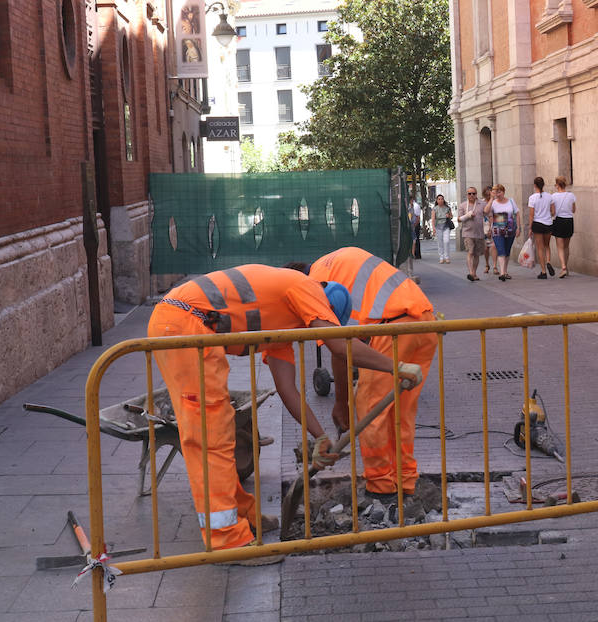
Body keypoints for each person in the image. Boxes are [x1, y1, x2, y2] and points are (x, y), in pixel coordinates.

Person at [147, 265, 421, 554]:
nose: (313, 332)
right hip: (183, 323)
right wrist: (397, 367)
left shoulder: (281, 327)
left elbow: (288, 390)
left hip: (186, 323)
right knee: (209, 434)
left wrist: (320, 437)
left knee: (220, 430)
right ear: (323, 309)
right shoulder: (307, 288)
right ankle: (227, 541)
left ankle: (242, 515)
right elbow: (341, 346)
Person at [300, 248, 437, 498]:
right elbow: (353, 340)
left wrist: (341, 404)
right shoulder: (336, 261)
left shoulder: (311, 285)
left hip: (393, 327)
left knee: (369, 406)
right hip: (425, 319)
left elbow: (340, 347)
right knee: (400, 411)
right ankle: (405, 481)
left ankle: (382, 485)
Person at [484, 184, 522, 281]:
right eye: (495, 192)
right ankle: (502, 273)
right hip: (497, 230)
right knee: (501, 250)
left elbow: (517, 214)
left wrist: (518, 227)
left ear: (503, 192)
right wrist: (491, 199)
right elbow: (485, 211)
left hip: (510, 229)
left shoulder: (511, 201)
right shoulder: (493, 202)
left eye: (499, 191)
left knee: (507, 251)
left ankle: (505, 271)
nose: (498, 194)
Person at [528, 177, 555, 279]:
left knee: (540, 248)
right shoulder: (549, 197)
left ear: (535, 185)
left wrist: (530, 228)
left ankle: (543, 271)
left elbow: (531, 215)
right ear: (543, 185)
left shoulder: (532, 198)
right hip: (548, 223)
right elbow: (553, 212)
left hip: (537, 224)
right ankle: (548, 261)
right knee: (547, 245)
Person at [551, 176, 576, 278]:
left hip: (559, 221)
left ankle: (563, 268)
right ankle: (566, 267)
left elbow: (552, 212)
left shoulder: (553, 196)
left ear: (557, 185)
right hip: (569, 221)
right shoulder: (571, 195)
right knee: (566, 246)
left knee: (560, 247)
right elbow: (574, 210)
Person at [458, 187, 485, 281]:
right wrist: (467, 215)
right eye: (469, 194)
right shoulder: (463, 205)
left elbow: (488, 214)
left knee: (476, 254)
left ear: (476, 194)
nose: (472, 195)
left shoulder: (482, 204)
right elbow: (459, 219)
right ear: (467, 195)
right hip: (467, 232)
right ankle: (470, 273)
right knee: (470, 252)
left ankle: (474, 273)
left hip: (479, 232)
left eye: (473, 193)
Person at [481, 186, 497, 275]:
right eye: (487, 194)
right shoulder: (482, 203)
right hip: (483, 226)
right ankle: (487, 264)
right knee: (485, 248)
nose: (489, 196)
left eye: (490, 194)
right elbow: (485, 211)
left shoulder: (495, 203)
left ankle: (495, 266)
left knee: (494, 246)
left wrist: (492, 228)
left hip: (493, 225)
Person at [433, 194, 453, 264]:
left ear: (443, 200)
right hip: (438, 226)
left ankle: (447, 257)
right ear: (437, 200)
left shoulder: (447, 208)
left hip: (446, 226)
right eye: (439, 199)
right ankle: (441, 257)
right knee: (440, 243)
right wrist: (433, 228)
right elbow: (433, 219)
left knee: (446, 241)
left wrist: (449, 216)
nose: (440, 200)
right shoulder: (435, 208)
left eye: (442, 199)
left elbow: (451, 216)